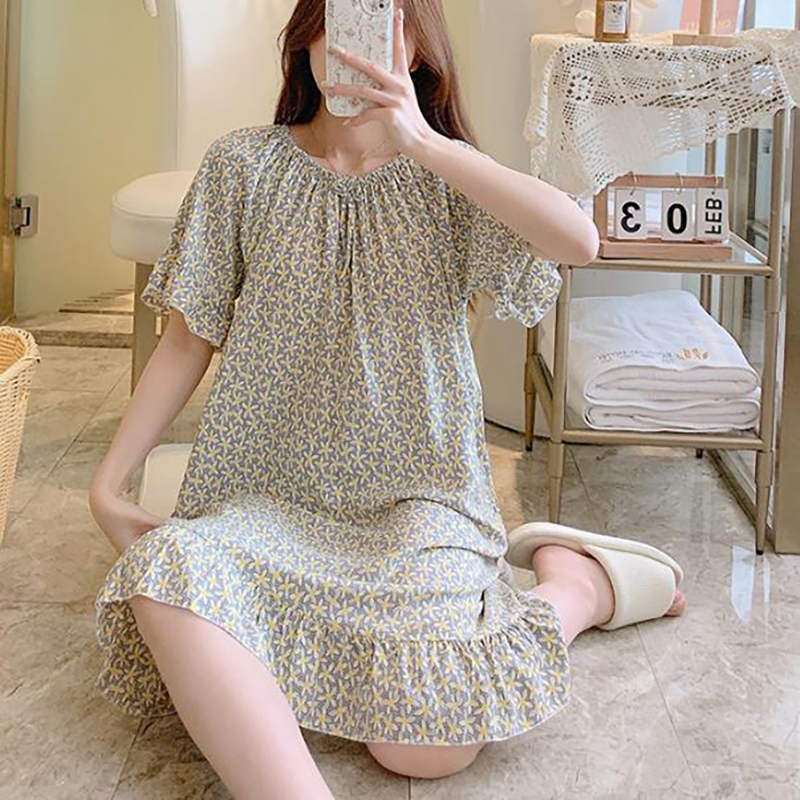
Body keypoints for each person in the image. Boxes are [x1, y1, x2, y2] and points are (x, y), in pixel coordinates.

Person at [89, 1, 686, 798]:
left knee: (424, 751)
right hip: (269, 495)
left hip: (418, 501)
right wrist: (107, 484)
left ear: (417, 47)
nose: (353, 46)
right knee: (167, 570)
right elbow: (186, 339)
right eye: (338, 16)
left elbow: (577, 241)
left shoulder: (447, 177)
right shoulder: (243, 165)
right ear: (305, 38)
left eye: (380, 17)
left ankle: (574, 588)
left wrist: (424, 142)